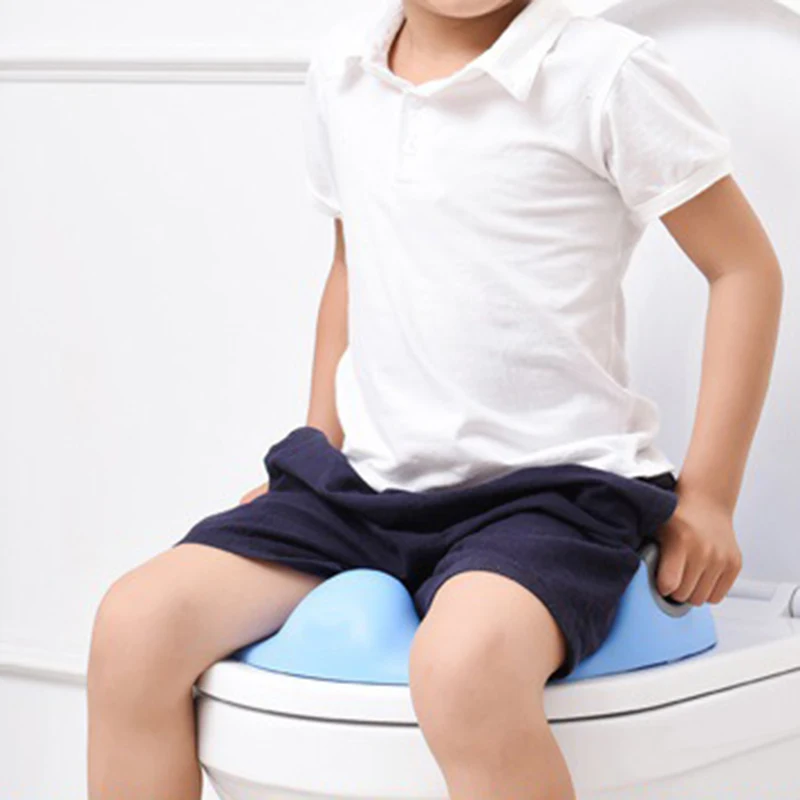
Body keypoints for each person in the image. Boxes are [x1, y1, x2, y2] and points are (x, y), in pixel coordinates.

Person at [86, 1, 784, 798]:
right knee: (134, 626)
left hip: (552, 496)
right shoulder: (344, 70)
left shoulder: (603, 74)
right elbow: (353, 266)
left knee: (463, 667)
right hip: (365, 490)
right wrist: (315, 449)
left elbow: (744, 269)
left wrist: (711, 495)